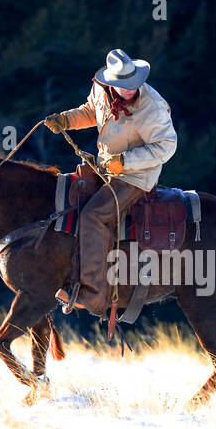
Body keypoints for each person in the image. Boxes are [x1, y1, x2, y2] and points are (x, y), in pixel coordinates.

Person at [44, 48, 177, 316]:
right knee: (71, 199)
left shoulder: (151, 107)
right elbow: (91, 111)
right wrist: (67, 120)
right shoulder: (101, 90)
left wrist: (124, 162)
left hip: (135, 175)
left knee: (93, 216)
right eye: (123, 86)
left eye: (133, 84)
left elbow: (166, 146)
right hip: (107, 167)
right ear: (111, 83)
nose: (130, 90)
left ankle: (92, 295)